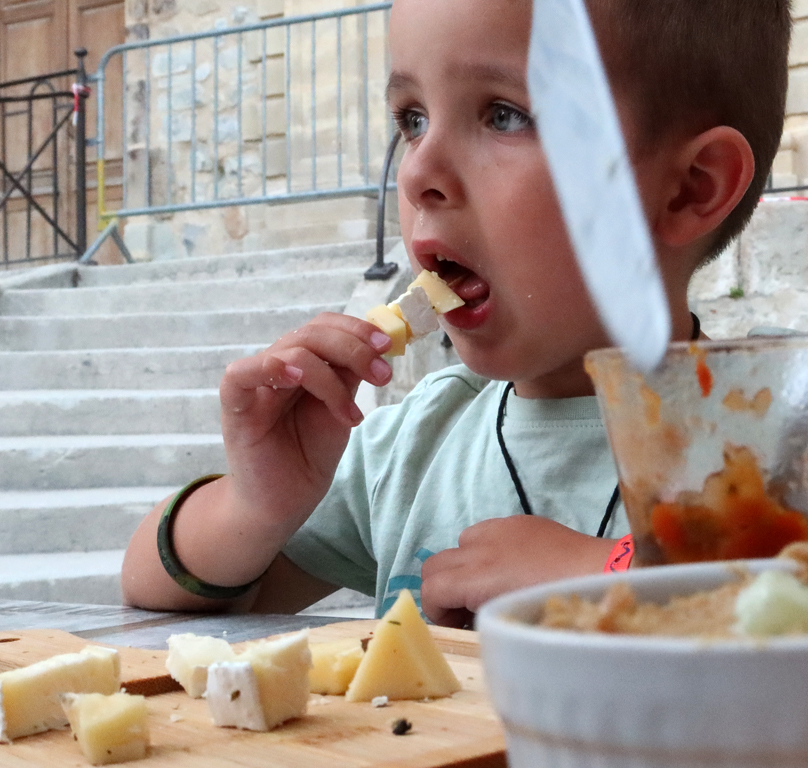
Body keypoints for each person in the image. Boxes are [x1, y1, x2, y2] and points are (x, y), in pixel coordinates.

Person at [121, 0, 792, 627]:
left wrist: (605, 574)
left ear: (687, 190)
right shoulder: (415, 446)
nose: (418, 174)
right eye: (412, 119)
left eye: (504, 114)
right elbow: (158, 589)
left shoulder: (775, 443)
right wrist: (254, 505)